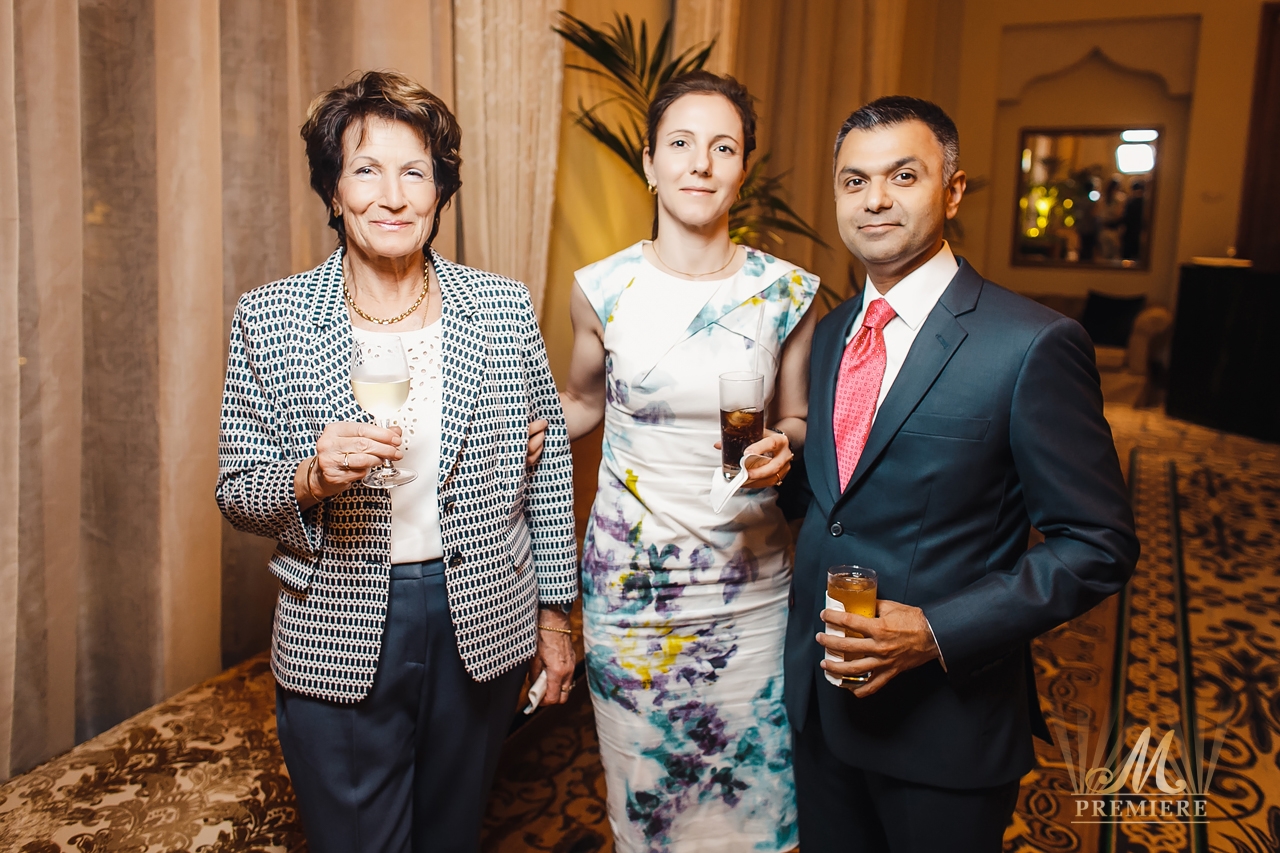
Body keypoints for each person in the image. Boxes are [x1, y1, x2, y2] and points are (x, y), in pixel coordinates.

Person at [215, 70, 577, 853]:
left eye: (414, 171)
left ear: (440, 191)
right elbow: (237, 490)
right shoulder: (271, 318)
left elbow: (546, 471)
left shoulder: (502, 307)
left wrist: (554, 615)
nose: (392, 196)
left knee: (454, 832)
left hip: (482, 617)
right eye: (366, 170)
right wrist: (311, 475)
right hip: (337, 625)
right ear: (333, 189)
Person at [784, 96, 1138, 852]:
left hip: (942, 732)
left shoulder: (1032, 343)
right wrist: (780, 470)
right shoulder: (832, 331)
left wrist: (935, 631)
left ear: (952, 191)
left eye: (902, 176)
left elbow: (1098, 543)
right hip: (822, 707)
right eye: (854, 181)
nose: (874, 199)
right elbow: (842, 498)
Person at [557, 71, 818, 852]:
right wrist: (506, 437)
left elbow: (797, 416)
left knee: (758, 802)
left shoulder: (787, 292)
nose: (700, 163)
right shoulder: (601, 288)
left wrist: (784, 444)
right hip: (633, 588)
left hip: (750, 585)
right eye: (680, 143)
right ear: (650, 162)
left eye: (722, 147)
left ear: (743, 168)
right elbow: (582, 401)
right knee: (649, 805)